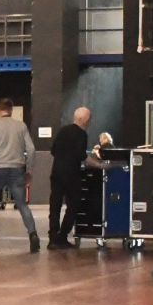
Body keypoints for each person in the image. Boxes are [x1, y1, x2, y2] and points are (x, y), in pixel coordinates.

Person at [0, 99, 39, 252]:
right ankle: (33, 234)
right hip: (16, 170)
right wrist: (29, 170)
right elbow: (31, 149)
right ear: (11, 110)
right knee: (22, 204)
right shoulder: (21, 126)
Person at [47, 106, 92, 248]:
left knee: (55, 206)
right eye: (89, 118)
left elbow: (53, 150)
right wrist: (99, 164)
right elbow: (82, 156)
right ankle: (62, 236)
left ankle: (52, 238)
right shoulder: (82, 135)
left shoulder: (62, 130)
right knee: (73, 205)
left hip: (57, 173)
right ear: (84, 120)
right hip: (72, 175)